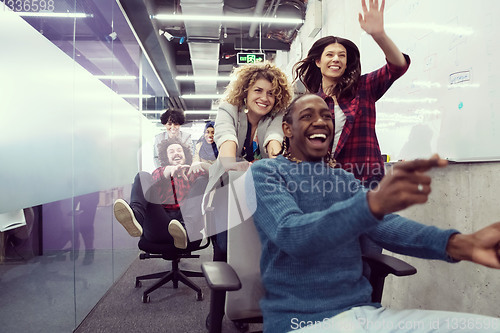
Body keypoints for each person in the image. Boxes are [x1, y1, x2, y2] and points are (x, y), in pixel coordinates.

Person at [247, 94, 500, 333]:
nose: (320, 122)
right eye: (307, 116)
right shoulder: (266, 173)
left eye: (326, 116)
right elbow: (292, 233)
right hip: (300, 322)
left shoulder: (342, 179)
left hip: (364, 315)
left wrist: (457, 244)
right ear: (287, 129)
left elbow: (386, 226)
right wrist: (370, 205)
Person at [293, 0, 409, 189]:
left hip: (367, 180)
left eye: (342, 55)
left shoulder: (364, 88)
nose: (336, 59)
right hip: (328, 183)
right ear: (317, 62)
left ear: (347, 63)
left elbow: (398, 67)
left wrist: (379, 35)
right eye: (329, 55)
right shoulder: (310, 103)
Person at [203, 61, 293, 261]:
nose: (264, 98)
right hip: (227, 187)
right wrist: (230, 162)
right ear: (245, 91)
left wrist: (277, 160)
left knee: (256, 247)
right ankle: (221, 287)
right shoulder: (228, 109)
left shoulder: (277, 115)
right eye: (258, 90)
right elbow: (226, 135)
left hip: (258, 189)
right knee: (225, 246)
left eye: (271, 93)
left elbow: (274, 137)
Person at [114, 138, 207, 249]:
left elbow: (217, 174)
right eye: (171, 151)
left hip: (186, 223)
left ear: (185, 154)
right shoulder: (160, 172)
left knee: (203, 179)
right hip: (159, 223)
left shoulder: (193, 173)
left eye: (179, 150)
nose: (176, 153)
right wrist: (170, 170)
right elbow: (157, 176)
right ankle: (136, 218)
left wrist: (201, 164)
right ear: (166, 157)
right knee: (142, 175)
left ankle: (184, 232)